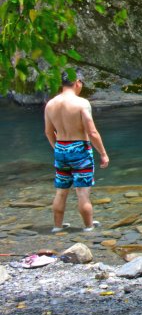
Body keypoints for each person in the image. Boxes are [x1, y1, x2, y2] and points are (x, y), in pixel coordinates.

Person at [44, 70, 109, 232]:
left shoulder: (50, 104)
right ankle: (88, 227)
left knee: (61, 191)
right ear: (77, 82)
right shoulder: (81, 103)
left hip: (60, 148)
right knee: (82, 192)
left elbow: (48, 131)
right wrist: (103, 153)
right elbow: (92, 132)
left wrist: (57, 148)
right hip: (80, 149)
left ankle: (57, 227)